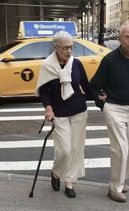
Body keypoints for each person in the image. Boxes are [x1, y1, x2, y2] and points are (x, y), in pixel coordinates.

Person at [90, 24, 129, 203]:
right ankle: (114, 187)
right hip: (115, 108)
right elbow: (95, 85)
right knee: (120, 149)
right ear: (120, 38)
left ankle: (122, 180)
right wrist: (102, 103)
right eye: (128, 37)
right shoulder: (110, 60)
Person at [36, 31, 92, 198]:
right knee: (65, 150)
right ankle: (56, 173)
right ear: (56, 47)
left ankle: (69, 182)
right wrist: (48, 108)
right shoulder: (48, 65)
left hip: (78, 110)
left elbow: (86, 86)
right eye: (65, 48)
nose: (69, 51)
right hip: (59, 113)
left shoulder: (76, 64)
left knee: (76, 149)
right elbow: (44, 91)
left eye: (71, 47)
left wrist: (100, 98)